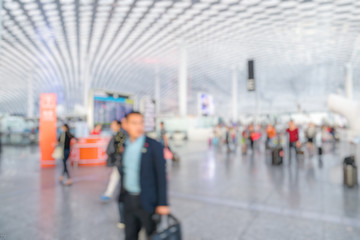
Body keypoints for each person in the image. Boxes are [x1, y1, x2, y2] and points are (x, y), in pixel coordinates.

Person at [120, 112, 169, 240]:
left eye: (141, 122)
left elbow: (161, 176)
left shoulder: (153, 146)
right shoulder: (125, 145)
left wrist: (163, 203)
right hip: (128, 200)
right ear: (126, 125)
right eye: (134, 123)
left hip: (147, 201)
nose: (139, 126)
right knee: (130, 234)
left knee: (152, 235)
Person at [101, 120, 126, 201]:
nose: (111, 126)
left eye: (113, 124)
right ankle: (108, 194)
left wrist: (117, 160)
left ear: (119, 125)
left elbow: (120, 150)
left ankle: (111, 194)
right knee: (114, 177)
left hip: (119, 161)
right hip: (118, 161)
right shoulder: (118, 134)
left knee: (118, 177)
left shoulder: (121, 134)